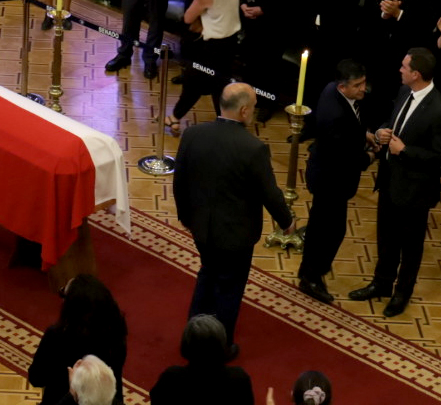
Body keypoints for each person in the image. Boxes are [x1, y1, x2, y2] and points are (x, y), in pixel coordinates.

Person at [173, 83, 294, 350]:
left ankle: (193, 336)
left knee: (208, 273)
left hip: (201, 228)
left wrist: (186, 217)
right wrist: (287, 221)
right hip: (235, 236)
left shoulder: (193, 134)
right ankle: (221, 346)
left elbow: (179, 181)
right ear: (242, 111)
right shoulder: (253, 148)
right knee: (229, 287)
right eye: (252, 107)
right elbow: (269, 193)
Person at [350, 48, 441, 317]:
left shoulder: (438, 108)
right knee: (386, 237)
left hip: (415, 190)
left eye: (404, 67)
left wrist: (406, 151)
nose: (399, 70)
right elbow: (393, 122)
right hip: (390, 180)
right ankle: (382, 283)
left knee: (411, 246)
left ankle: (402, 293)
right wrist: (381, 131)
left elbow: (439, 158)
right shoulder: (404, 92)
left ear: (417, 74)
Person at [297, 61, 372, 304]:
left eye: (363, 82)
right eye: (358, 85)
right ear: (343, 87)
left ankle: (311, 270)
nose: (364, 89)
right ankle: (311, 276)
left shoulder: (331, 89)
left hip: (327, 173)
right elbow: (350, 156)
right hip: (332, 180)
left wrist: (364, 134)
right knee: (328, 231)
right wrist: (372, 154)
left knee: (323, 228)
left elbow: (352, 133)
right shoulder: (336, 117)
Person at [163, 0, 252, 134]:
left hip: (212, 47)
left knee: (195, 83)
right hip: (231, 42)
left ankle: (177, 117)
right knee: (218, 85)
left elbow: (187, 18)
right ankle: (227, 124)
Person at [27, 275, 127, 405]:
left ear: (70, 305)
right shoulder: (115, 335)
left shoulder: (57, 335)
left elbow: (36, 378)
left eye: (63, 293)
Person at [366, 0, 441, 122]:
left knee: (400, 100)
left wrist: (398, 14)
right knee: (378, 96)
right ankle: (373, 135)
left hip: (411, 51)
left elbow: (428, 22)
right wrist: (384, 11)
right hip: (384, 46)